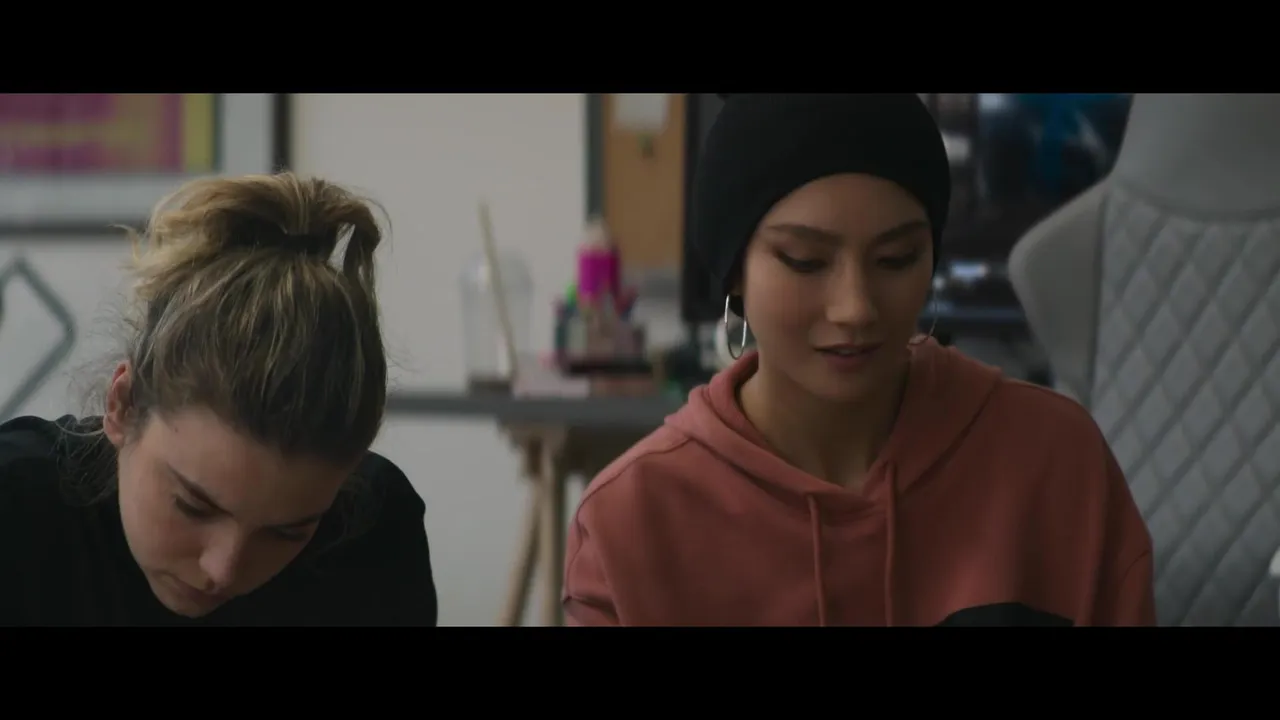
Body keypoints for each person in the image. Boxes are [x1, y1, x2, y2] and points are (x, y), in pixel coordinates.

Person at [562, 93, 1155, 627]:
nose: (856, 308)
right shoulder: (632, 525)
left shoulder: (1056, 466)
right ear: (734, 270)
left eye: (896, 259)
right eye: (805, 260)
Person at [0, 171, 437, 626]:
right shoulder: (13, 509)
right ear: (123, 404)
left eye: (287, 533)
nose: (223, 571)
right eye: (194, 506)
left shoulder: (371, 532)